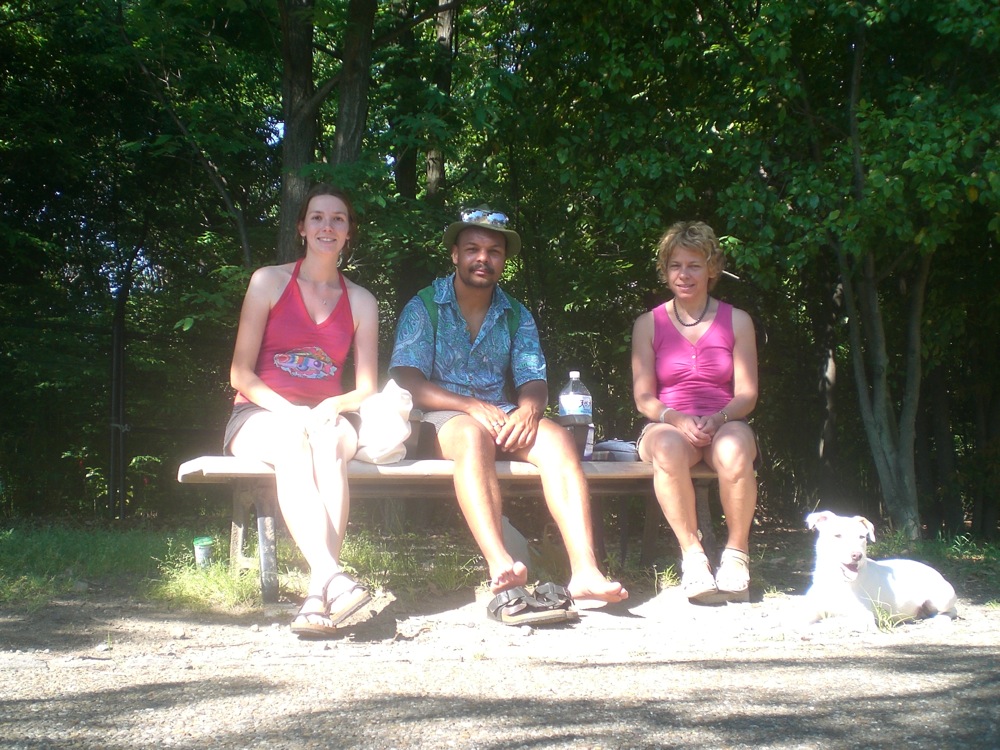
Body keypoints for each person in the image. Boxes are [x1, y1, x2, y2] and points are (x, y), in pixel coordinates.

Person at [390, 207, 627, 624]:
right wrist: (467, 405)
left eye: (493, 251)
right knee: (471, 435)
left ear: (504, 259)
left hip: (499, 416)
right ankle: (501, 567)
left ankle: (585, 571)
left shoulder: (515, 312)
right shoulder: (424, 305)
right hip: (437, 418)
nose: (483, 258)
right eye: (473, 249)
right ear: (455, 255)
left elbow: (533, 379)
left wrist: (531, 409)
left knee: (555, 439)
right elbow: (408, 379)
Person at [226, 183, 379, 637]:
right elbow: (240, 373)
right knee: (295, 440)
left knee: (329, 441)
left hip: (330, 414)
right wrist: (288, 412)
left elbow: (367, 387)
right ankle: (333, 576)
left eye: (338, 219)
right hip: (261, 411)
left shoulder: (362, 301)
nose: (327, 226)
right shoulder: (268, 281)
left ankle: (318, 591)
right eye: (318, 217)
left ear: (349, 232)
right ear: (301, 227)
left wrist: (333, 404)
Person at [631, 220, 759, 602]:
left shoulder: (738, 320)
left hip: (725, 421)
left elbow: (748, 394)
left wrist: (719, 418)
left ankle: (737, 555)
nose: (683, 275)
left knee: (735, 448)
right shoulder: (647, 324)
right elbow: (643, 398)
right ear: (665, 271)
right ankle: (693, 558)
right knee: (668, 447)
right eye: (675, 266)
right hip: (668, 425)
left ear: (712, 269)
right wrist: (676, 418)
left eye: (693, 265)